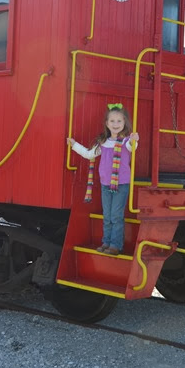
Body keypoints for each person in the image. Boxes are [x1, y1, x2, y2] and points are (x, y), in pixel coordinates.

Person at [67, 103, 139, 255]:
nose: (115, 124)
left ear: (124, 123)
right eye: (112, 121)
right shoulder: (103, 142)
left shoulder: (126, 141)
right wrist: (74, 145)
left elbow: (132, 147)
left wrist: (135, 140)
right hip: (106, 184)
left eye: (119, 121)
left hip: (121, 184)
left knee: (116, 215)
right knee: (107, 215)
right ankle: (106, 242)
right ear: (107, 123)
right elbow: (89, 154)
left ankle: (115, 245)